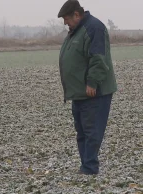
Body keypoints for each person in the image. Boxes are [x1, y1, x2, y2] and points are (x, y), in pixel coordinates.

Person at [57, 0, 117, 175]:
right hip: (79, 93)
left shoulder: (94, 28)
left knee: (92, 131)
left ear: (77, 14)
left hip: (94, 92)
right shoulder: (76, 31)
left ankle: (89, 168)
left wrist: (92, 82)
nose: (65, 23)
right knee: (82, 132)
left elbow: (98, 58)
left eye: (67, 19)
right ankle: (86, 166)